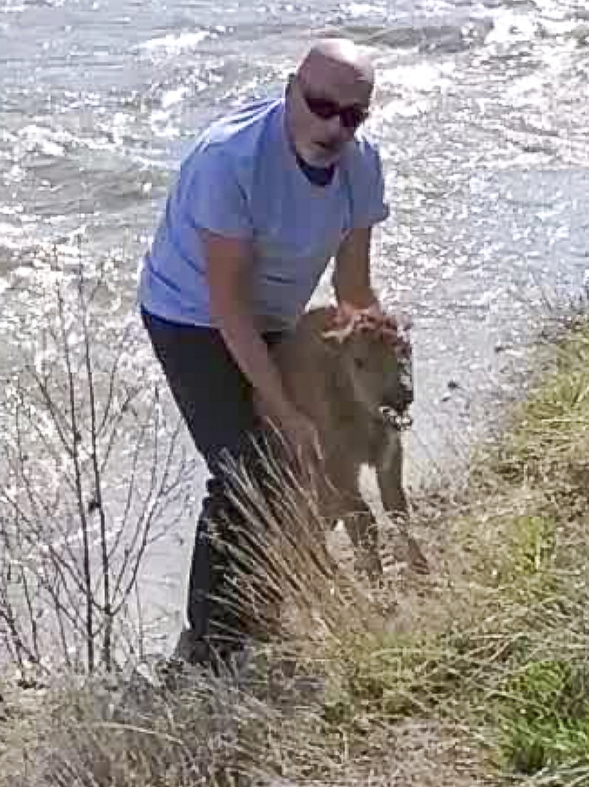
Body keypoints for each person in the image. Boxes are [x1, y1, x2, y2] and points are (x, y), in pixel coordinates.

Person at [136, 38, 391, 671]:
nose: (334, 128)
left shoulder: (361, 166)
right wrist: (285, 411)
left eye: (351, 116)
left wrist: (381, 359)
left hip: (276, 314)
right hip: (191, 314)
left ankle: (267, 602)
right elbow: (229, 307)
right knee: (248, 467)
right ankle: (208, 652)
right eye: (321, 106)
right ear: (290, 91)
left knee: (318, 454)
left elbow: (352, 289)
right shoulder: (230, 161)